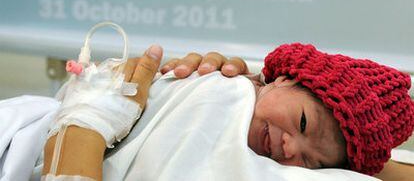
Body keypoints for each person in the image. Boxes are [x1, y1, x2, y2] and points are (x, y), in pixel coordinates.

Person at [41, 43, 414, 181]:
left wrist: (84, 127)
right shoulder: (227, 87)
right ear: (282, 78)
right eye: (302, 124)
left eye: (313, 164)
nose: (288, 148)